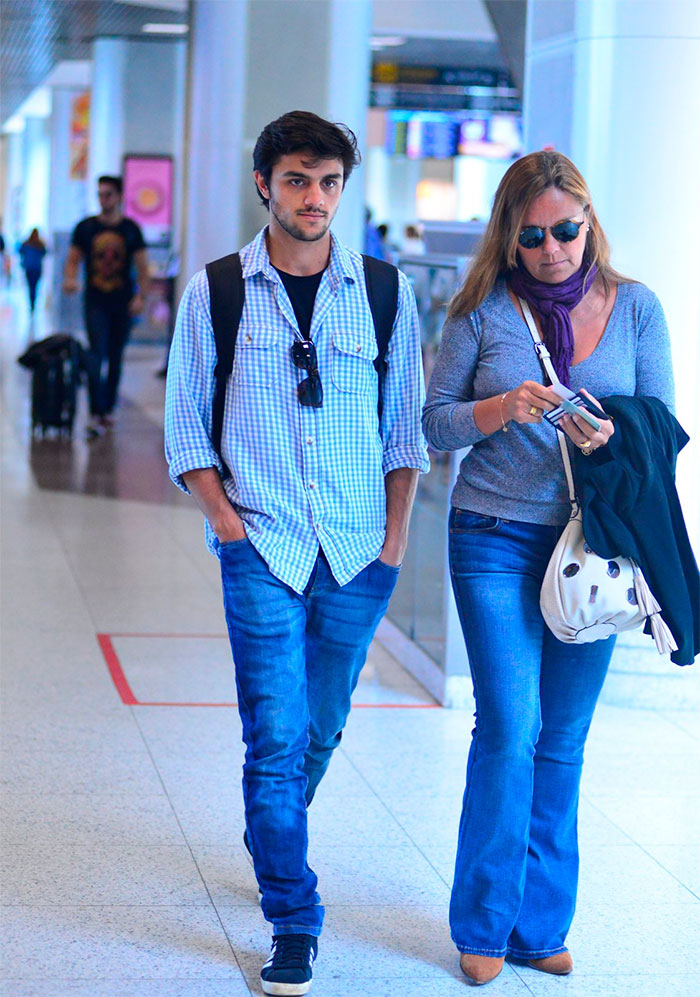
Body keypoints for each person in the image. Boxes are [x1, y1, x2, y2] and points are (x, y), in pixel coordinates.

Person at [165, 110, 428, 995]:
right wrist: (229, 526)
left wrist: (394, 540)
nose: (312, 199)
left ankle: (272, 830)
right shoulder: (218, 290)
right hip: (262, 544)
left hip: (358, 551)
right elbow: (184, 430)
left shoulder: (386, 290)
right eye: (295, 181)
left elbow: (404, 434)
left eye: (327, 183)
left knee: (321, 729)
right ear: (264, 187)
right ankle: (293, 912)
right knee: (274, 739)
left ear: (341, 190)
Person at [422, 150, 674, 986]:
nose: (554, 249)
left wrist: (611, 430)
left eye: (567, 230)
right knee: (510, 724)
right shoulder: (482, 312)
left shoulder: (637, 308)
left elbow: (664, 429)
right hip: (493, 532)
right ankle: (484, 922)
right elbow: (431, 425)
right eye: (532, 237)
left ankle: (540, 926)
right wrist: (502, 407)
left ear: (589, 222)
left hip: (596, 543)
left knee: (562, 738)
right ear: (509, 237)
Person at [63, 175, 150, 437]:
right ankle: (95, 411)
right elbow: (73, 259)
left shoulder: (130, 229)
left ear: (120, 196)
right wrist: (69, 279)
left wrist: (140, 297)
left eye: (108, 194)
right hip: (95, 300)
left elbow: (142, 266)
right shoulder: (86, 228)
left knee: (114, 356)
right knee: (95, 354)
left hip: (121, 302)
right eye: (100, 194)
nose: (104, 200)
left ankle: (108, 409)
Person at [19, 228, 47, 313]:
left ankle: (31, 303)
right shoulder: (40, 245)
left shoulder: (26, 244)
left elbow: (20, 251)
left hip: (29, 268)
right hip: (37, 268)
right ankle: (33, 303)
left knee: (30, 286)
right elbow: (44, 253)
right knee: (35, 286)